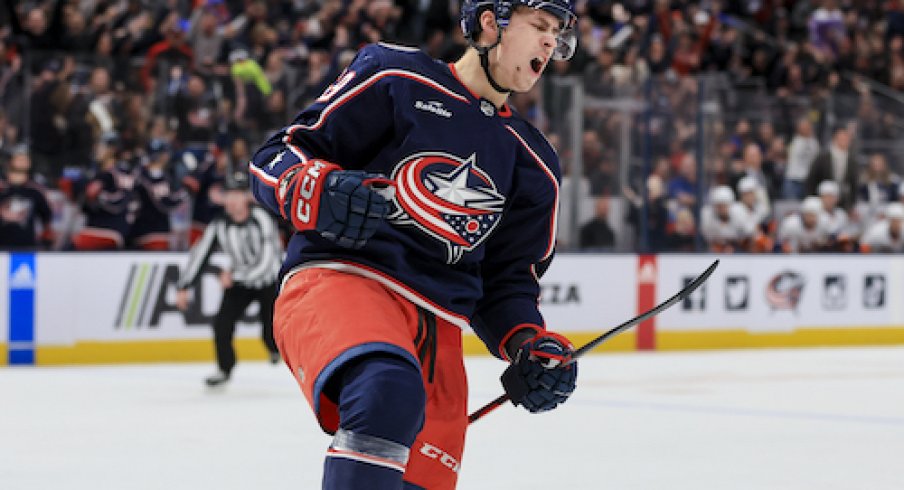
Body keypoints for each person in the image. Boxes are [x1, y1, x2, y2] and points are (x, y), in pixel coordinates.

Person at [247, 1, 580, 488]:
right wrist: (310, 185)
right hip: (343, 282)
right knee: (386, 390)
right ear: (491, 23)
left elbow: (508, 281)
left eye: (558, 34)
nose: (551, 43)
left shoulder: (534, 162)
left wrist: (530, 345)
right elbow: (276, 156)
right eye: (540, 27)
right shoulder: (397, 76)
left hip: (437, 332)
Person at [175, 171, 283, 387]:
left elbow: (267, 261)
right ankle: (224, 368)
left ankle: (273, 349)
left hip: (267, 282)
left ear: (246, 197)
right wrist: (184, 285)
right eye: (229, 194)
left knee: (269, 332)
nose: (233, 200)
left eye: (238, 194)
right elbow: (200, 254)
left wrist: (233, 274)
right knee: (222, 325)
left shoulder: (262, 219)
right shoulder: (219, 224)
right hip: (239, 284)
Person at [0, 148, 53, 250]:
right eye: (19, 159)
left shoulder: (35, 192)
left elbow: (47, 217)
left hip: (27, 248)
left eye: (24, 159)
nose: (22, 162)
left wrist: (46, 237)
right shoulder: (2, 190)